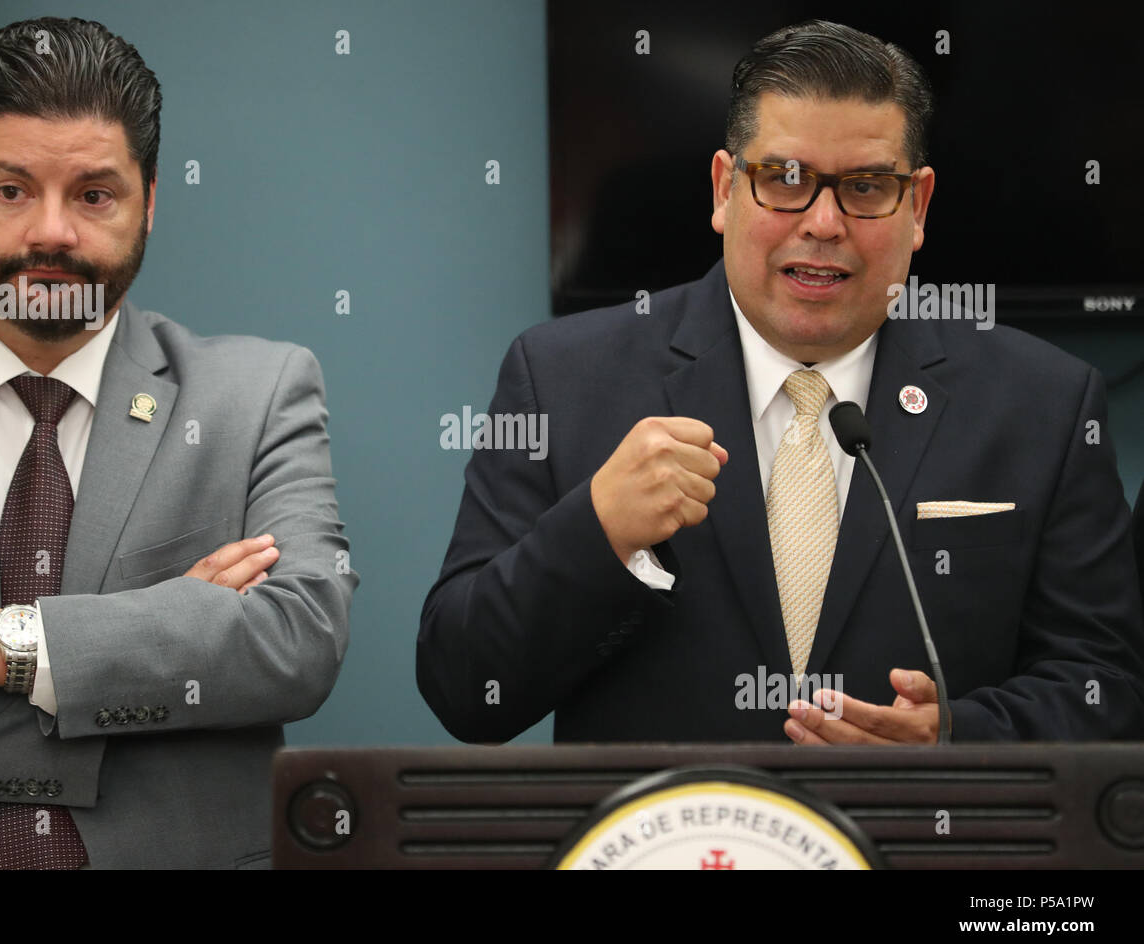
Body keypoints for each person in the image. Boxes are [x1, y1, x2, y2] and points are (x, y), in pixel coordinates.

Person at [417, 19, 1144, 746]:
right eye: (786, 180)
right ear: (725, 189)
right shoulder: (564, 380)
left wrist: (955, 739)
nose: (824, 223)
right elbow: (466, 690)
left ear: (917, 207)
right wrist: (598, 531)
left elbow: (1106, 689)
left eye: (865, 187)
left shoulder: (1043, 405)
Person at [0, 17, 355, 868]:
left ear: (149, 199)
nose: (51, 234)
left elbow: (297, 645)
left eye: (93, 194)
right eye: (11, 191)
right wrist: (163, 659)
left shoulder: (257, 395)